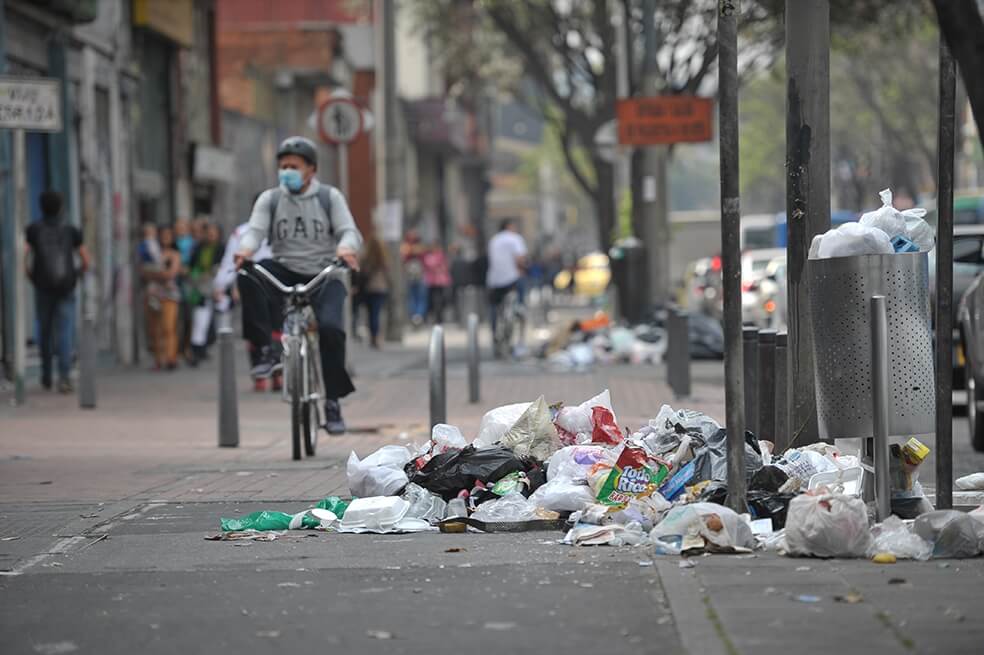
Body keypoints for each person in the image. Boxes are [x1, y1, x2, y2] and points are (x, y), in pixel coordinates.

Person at [235, 136, 363, 435]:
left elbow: (349, 231)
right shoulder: (271, 199)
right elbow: (254, 231)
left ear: (311, 170)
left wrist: (345, 249)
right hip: (284, 270)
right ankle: (265, 350)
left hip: (324, 272)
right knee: (247, 275)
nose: (286, 172)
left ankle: (332, 403)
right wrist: (245, 250)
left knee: (331, 329)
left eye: (293, 166)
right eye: (282, 167)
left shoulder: (329, 197)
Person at [24, 191, 90, 392]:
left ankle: (45, 375)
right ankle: (64, 377)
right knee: (64, 331)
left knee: (44, 331)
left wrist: (32, 277)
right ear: (61, 207)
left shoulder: (33, 230)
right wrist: (77, 274)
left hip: (43, 287)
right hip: (66, 287)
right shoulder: (71, 230)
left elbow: (24, 257)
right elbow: (85, 259)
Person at [213, 210, 274, 391]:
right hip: (252, 284)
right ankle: (260, 374)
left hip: (275, 285)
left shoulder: (279, 230)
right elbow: (231, 260)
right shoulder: (242, 232)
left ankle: (277, 373)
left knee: (275, 328)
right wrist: (221, 285)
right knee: (256, 329)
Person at [187, 222, 224, 365]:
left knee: (221, 321)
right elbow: (192, 268)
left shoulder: (222, 249)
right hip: (202, 288)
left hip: (219, 287)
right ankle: (197, 350)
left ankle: (220, 350)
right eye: (208, 233)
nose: (211, 236)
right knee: (200, 320)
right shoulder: (198, 249)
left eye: (213, 233)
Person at [147, 226, 183, 370]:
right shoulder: (153, 252)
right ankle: (158, 358)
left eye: (168, 235)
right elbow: (144, 271)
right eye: (162, 235)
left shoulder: (174, 254)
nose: (165, 238)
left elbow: (171, 274)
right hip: (154, 294)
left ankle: (170, 358)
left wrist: (156, 273)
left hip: (169, 294)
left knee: (168, 327)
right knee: (155, 329)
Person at [486, 218, 528, 338]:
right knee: (519, 299)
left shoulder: (494, 240)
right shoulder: (515, 238)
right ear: (510, 226)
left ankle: (494, 332)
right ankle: (520, 308)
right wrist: (523, 268)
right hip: (511, 278)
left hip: (494, 279)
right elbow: (520, 258)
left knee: (494, 306)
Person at [354, 234, 390, 348]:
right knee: (376, 313)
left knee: (369, 314)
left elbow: (359, 271)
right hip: (380, 289)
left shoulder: (366, 258)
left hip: (368, 289)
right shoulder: (383, 258)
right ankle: (375, 337)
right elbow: (388, 273)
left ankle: (372, 336)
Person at [401, 229, 427, 325]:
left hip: (413, 276)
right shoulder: (419, 248)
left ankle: (416, 315)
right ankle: (417, 315)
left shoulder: (406, 248)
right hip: (416, 276)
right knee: (416, 296)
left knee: (415, 296)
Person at [422, 241, 451, 324]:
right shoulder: (428, 256)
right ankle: (433, 315)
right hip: (431, 281)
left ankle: (439, 316)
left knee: (440, 299)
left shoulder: (441, 255)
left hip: (440, 281)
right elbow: (427, 265)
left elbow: (444, 266)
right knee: (431, 299)